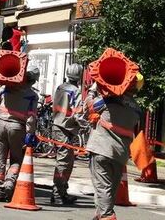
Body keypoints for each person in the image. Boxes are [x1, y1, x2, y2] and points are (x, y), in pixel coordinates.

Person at [85, 73, 143, 220]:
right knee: (109, 190)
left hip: (101, 149)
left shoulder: (108, 101)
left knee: (102, 188)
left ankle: (106, 216)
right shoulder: (137, 109)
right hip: (120, 154)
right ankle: (101, 215)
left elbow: (88, 107)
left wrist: (93, 90)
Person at [0, 66, 40, 202]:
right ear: (33, 81)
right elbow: (31, 118)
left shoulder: (7, 87)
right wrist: (30, 133)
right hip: (17, 128)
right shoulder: (32, 96)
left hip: (0, 124)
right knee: (16, 159)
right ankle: (9, 183)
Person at [50, 63, 85, 204]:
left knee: (67, 162)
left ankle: (62, 191)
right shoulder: (75, 91)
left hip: (58, 126)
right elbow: (78, 113)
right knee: (64, 163)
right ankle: (58, 194)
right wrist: (86, 126)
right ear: (80, 76)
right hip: (66, 129)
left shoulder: (60, 87)